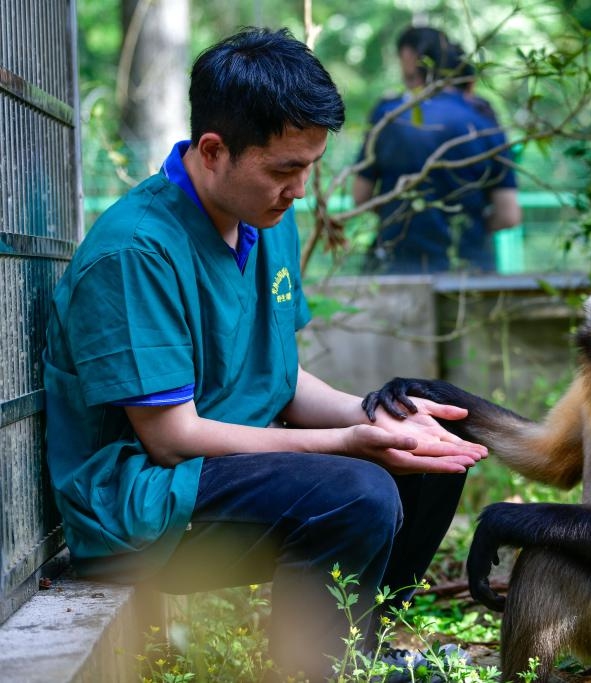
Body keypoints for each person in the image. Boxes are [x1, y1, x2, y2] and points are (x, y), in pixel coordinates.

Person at [42, 27, 487, 681]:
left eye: (309, 166)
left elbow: (282, 378)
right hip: (144, 501)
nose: (301, 189)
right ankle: (316, 668)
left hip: (220, 466)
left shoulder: (262, 216)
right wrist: (347, 443)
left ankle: (369, 643)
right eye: (285, 169)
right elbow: (172, 437)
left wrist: (371, 415)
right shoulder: (134, 251)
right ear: (214, 150)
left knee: (430, 420)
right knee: (359, 488)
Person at [353, 26, 521, 274]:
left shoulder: (388, 115)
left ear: (409, 60)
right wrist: (468, 230)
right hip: (470, 270)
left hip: (396, 267)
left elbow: (361, 196)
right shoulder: (483, 118)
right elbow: (509, 215)